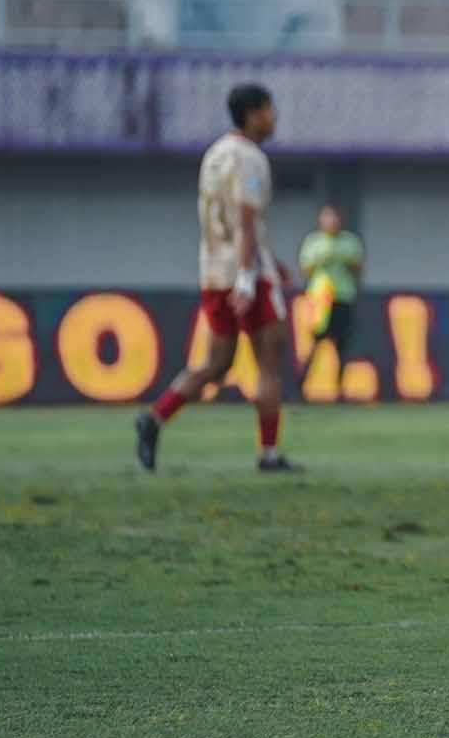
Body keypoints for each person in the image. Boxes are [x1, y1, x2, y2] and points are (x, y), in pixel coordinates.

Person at [135, 84, 300, 474]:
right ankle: (269, 454)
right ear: (253, 114)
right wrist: (247, 277)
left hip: (212, 270)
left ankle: (155, 417)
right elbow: (244, 219)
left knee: (216, 363)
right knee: (269, 361)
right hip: (246, 274)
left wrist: (266, 260)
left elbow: (229, 220)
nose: (274, 118)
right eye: (269, 110)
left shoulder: (215, 154)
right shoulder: (250, 157)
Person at [299, 204, 365, 387]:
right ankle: (301, 386)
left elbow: (359, 269)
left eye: (334, 217)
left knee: (342, 345)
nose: (331, 222)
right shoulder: (313, 242)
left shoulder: (350, 242)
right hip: (320, 301)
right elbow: (305, 270)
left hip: (343, 297)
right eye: (327, 217)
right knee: (314, 343)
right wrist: (322, 259)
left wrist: (344, 260)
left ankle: (340, 388)